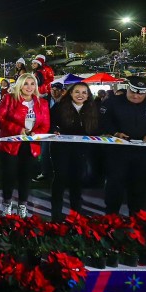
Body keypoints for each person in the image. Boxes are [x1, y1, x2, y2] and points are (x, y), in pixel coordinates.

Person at [99, 75, 146, 216]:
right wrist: (115, 132)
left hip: (142, 152)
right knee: (115, 183)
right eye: (132, 92)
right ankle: (111, 216)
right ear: (128, 89)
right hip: (117, 151)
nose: (136, 96)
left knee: (139, 185)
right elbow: (103, 120)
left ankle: (136, 216)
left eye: (140, 94)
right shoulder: (113, 102)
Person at [0, 73, 50, 218]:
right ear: (20, 85)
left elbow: (45, 125)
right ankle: (7, 204)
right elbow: (0, 119)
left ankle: (22, 206)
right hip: (10, 145)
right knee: (9, 175)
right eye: (26, 83)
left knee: (26, 177)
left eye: (32, 84)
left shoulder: (42, 103)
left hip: (31, 146)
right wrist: (18, 130)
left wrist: (36, 133)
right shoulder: (9, 99)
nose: (29, 87)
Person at [48, 82, 101, 222]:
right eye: (77, 92)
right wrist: (54, 130)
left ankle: (76, 215)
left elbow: (97, 128)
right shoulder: (59, 107)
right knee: (60, 179)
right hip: (61, 149)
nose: (80, 95)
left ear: (88, 95)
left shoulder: (93, 108)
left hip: (81, 150)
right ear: (70, 93)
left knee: (77, 181)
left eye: (84, 92)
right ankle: (56, 215)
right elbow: (50, 122)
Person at [34, 82, 66, 183]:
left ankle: (58, 173)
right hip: (46, 131)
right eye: (52, 90)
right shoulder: (44, 100)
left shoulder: (65, 102)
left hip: (60, 132)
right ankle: (45, 173)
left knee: (60, 154)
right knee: (44, 153)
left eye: (57, 90)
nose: (54, 92)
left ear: (62, 91)